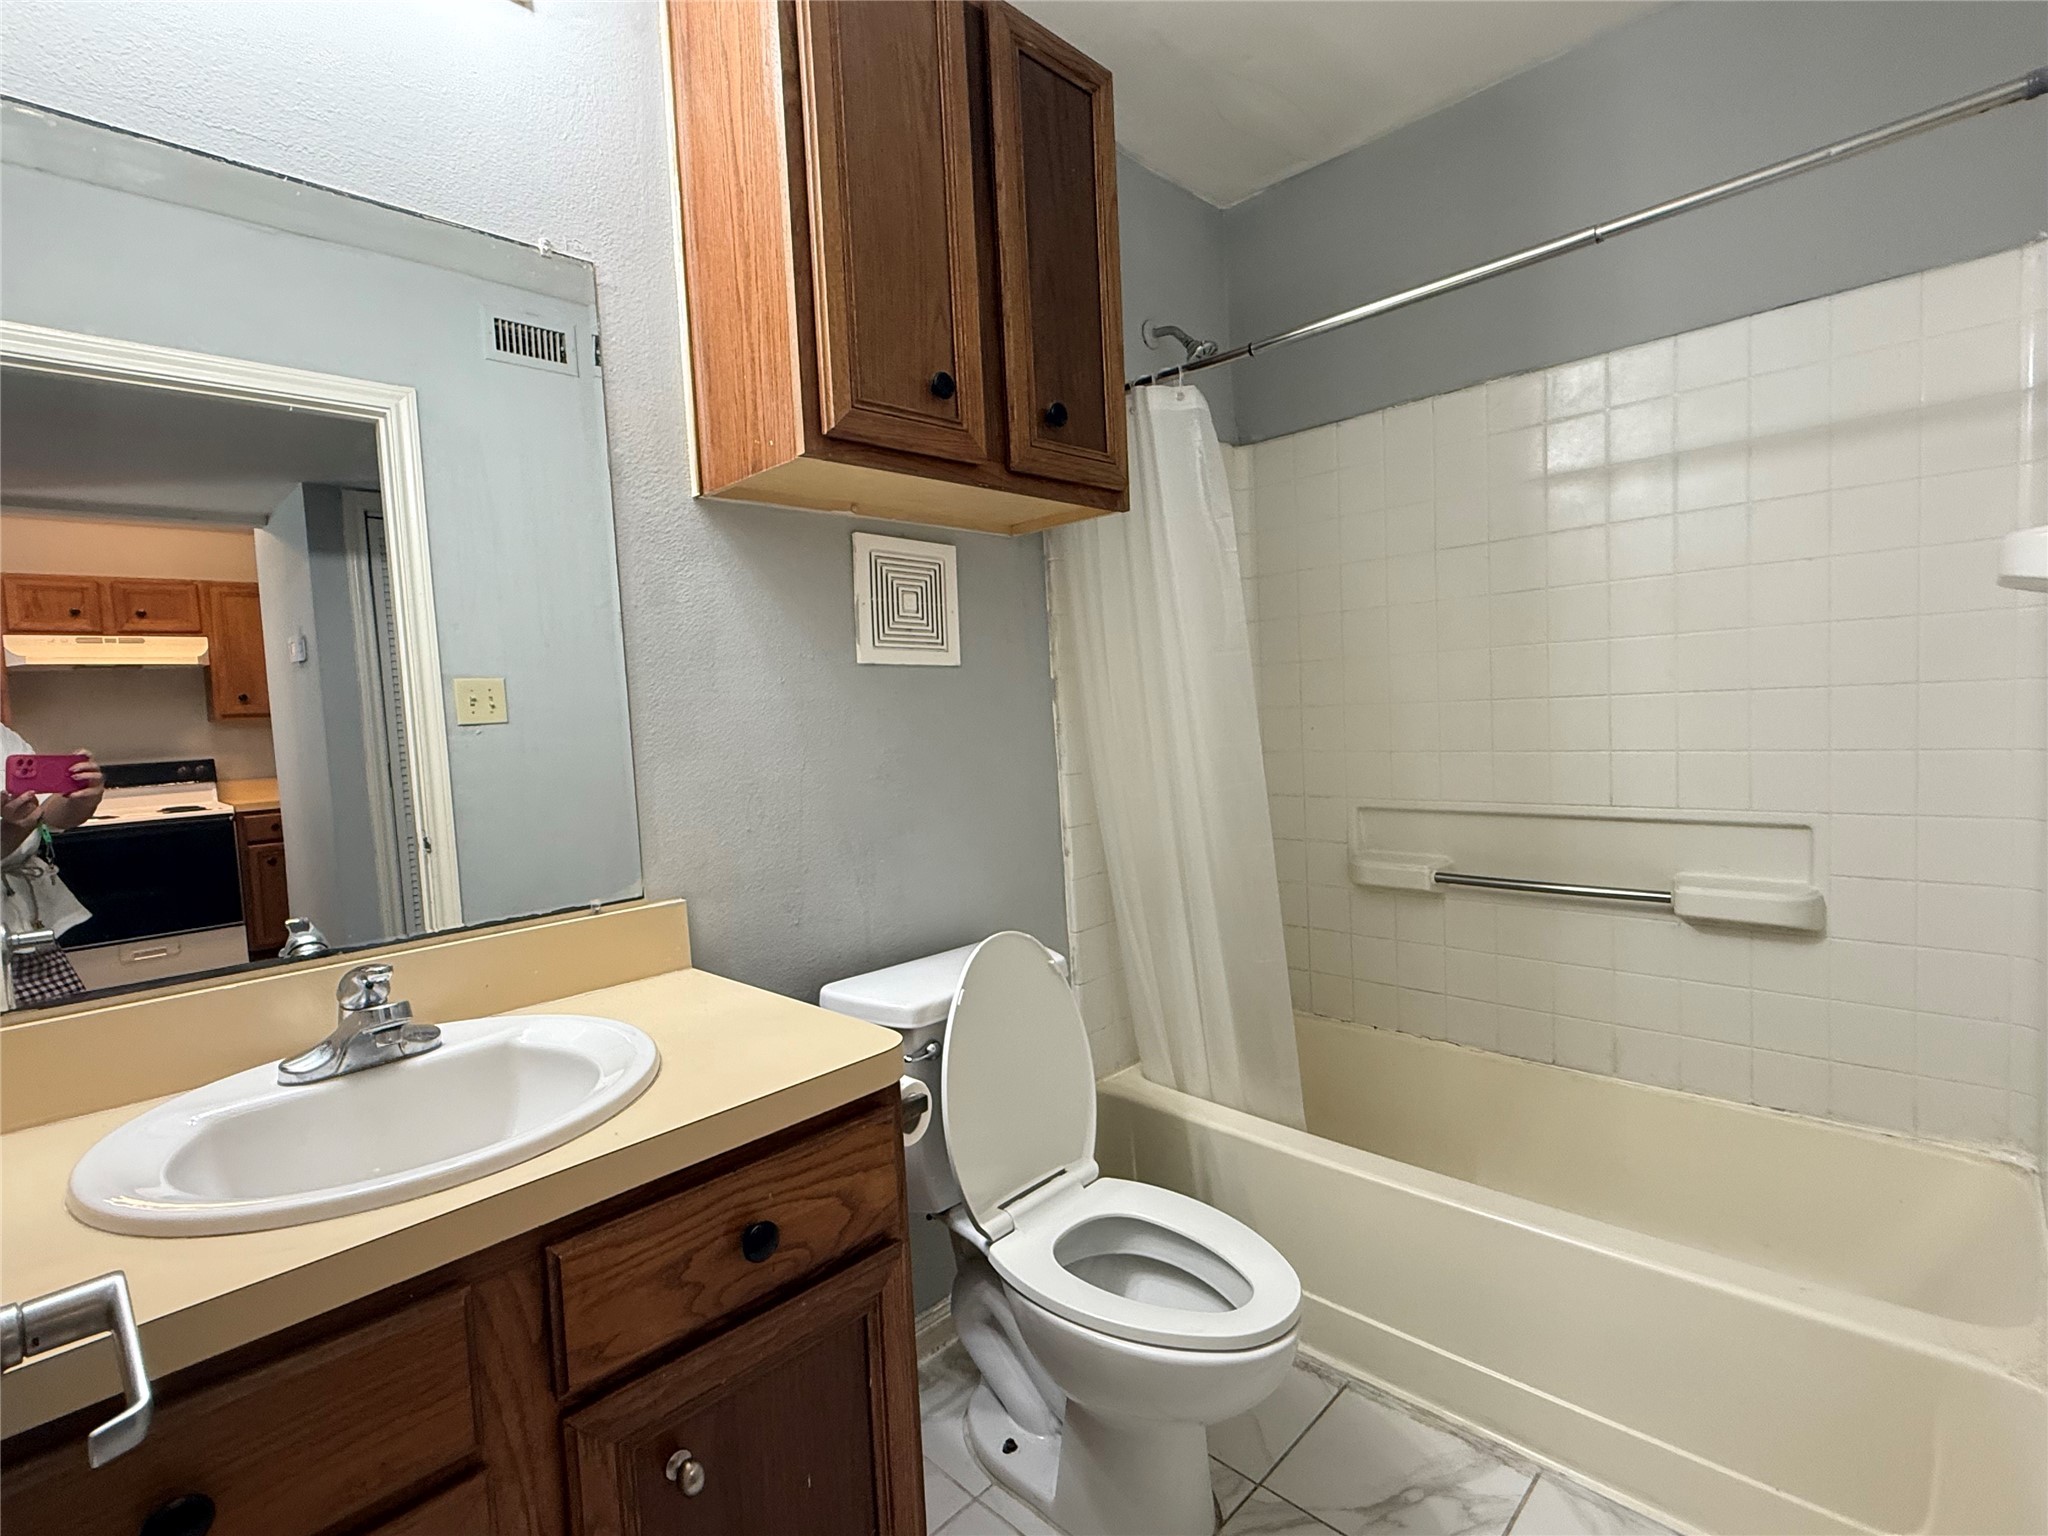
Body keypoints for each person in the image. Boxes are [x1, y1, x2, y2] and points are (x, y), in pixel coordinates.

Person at [2, 724, 104, 1005]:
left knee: (64, 1033)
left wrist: (82, 798)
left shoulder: (4, 737)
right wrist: (12, 831)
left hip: (25, 923)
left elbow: (50, 813)